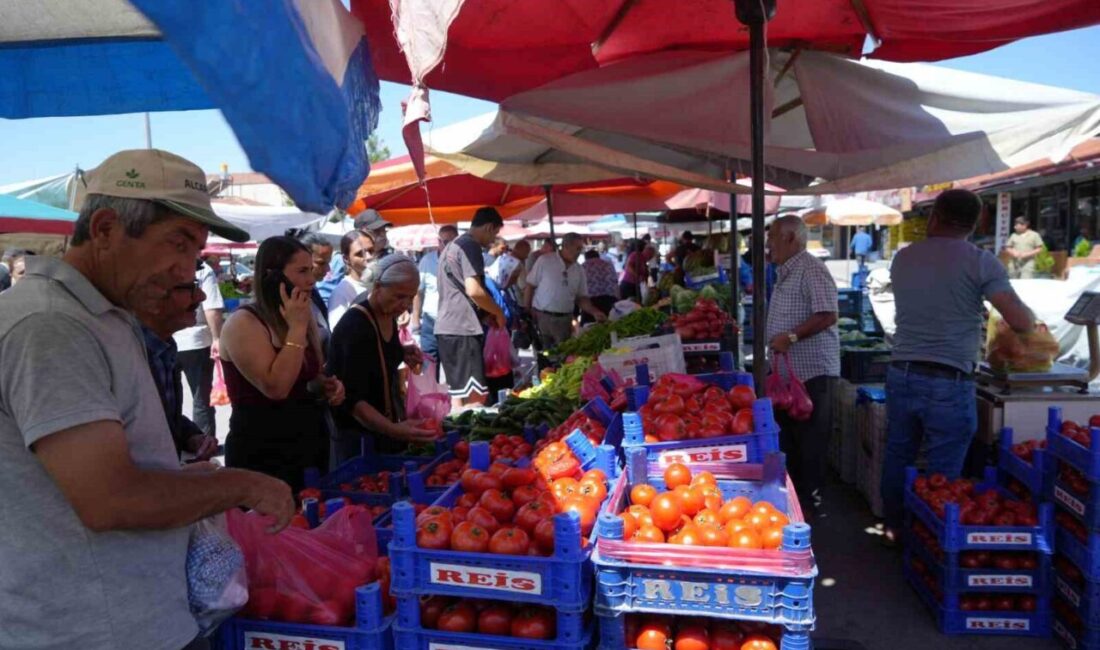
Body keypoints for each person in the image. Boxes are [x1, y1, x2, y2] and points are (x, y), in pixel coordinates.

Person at [0, 148, 294, 650]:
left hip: (133, 617)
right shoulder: (50, 325)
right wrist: (237, 484)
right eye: (176, 244)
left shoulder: (99, 314)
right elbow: (109, 499)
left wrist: (180, 477)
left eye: (195, 250)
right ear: (106, 229)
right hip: (90, 631)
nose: (186, 269)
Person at [881, 189, 1035, 545]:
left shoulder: (904, 258)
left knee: (899, 453)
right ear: (976, 222)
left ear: (935, 216)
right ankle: (929, 543)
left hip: (902, 372)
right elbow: (1019, 319)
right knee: (943, 468)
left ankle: (893, 527)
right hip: (948, 381)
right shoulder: (980, 261)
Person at [220, 236, 346, 492]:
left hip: (307, 444)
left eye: (311, 270)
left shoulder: (302, 314)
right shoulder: (243, 323)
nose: (311, 279)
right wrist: (297, 329)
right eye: (302, 271)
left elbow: (307, 377)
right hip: (263, 452)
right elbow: (276, 387)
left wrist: (326, 385)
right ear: (273, 276)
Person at [329, 255, 440, 462]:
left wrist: (402, 351)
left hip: (384, 427)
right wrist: (394, 430)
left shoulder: (387, 314)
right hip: (359, 436)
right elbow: (352, 399)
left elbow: (378, 354)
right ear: (378, 286)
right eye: (399, 296)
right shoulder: (355, 326)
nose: (406, 304)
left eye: (411, 297)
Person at [765, 215, 840, 517]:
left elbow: (828, 314)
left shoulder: (811, 269)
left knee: (810, 441)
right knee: (793, 441)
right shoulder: (786, 270)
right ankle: (796, 503)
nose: (768, 244)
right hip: (789, 377)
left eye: (771, 237)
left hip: (812, 373)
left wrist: (792, 336)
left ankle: (812, 506)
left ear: (790, 238)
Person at [137, 278, 220, 460]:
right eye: (189, 288)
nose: (201, 296)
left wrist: (191, 436)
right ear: (152, 297)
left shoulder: (164, 346)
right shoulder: (127, 350)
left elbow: (163, 416)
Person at [435, 207, 507, 408]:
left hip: (447, 328)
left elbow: (457, 292)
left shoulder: (452, 246)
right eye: (494, 233)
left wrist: (484, 315)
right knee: (476, 399)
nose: (493, 240)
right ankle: (470, 439)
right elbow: (474, 290)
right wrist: (497, 311)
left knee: (458, 397)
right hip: (462, 329)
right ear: (488, 227)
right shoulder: (470, 246)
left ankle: (458, 438)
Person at [525, 232, 608, 346]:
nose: (580, 252)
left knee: (563, 356)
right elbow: (530, 285)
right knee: (544, 355)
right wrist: (527, 310)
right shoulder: (545, 261)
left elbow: (581, 297)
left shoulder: (579, 270)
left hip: (565, 320)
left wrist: (595, 312)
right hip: (542, 318)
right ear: (566, 246)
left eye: (581, 249)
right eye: (577, 248)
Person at [172, 258, 224, 438]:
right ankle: (205, 444)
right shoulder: (203, 269)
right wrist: (217, 338)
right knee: (201, 398)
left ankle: (184, 443)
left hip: (171, 339)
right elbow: (212, 308)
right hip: (196, 341)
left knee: (170, 397)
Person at [317, 209, 391, 302]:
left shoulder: (387, 258)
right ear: (362, 232)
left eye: (383, 230)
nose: (382, 235)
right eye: (376, 231)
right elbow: (326, 294)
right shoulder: (340, 260)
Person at [412, 225, 459, 365]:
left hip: (453, 322)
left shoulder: (460, 261)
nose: (449, 246)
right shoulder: (427, 261)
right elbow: (419, 292)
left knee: (453, 365)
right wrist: (415, 320)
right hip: (431, 321)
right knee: (429, 364)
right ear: (439, 242)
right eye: (445, 242)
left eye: (453, 242)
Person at [327, 229, 377, 328]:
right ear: (346, 259)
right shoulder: (341, 293)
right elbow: (340, 335)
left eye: (371, 251)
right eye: (359, 254)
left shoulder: (382, 284)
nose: (368, 257)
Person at [300, 232, 335, 354]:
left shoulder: (313, 291)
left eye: (328, 262)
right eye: (321, 263)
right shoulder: (293, 300)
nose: (328, 269)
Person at [581, 249, 618, 324]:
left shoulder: (582, 267)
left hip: (591, 303)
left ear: (586, 257)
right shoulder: (608, 264)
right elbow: (615, 282)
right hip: (609, 299)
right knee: (610, 325)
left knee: (590, 327)